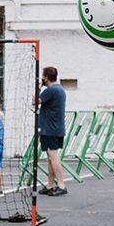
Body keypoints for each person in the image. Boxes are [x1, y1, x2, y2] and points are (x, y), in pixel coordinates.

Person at [36, 65, 68, 195]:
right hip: (54, 128)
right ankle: (50, 185)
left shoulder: (50, 90)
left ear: (46, 77)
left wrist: (39, 87)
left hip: (50, 128)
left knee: (53, 156)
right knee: (50, 157)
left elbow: (35, 101)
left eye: (43, 76)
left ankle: (61, 184)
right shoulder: (59, 89)